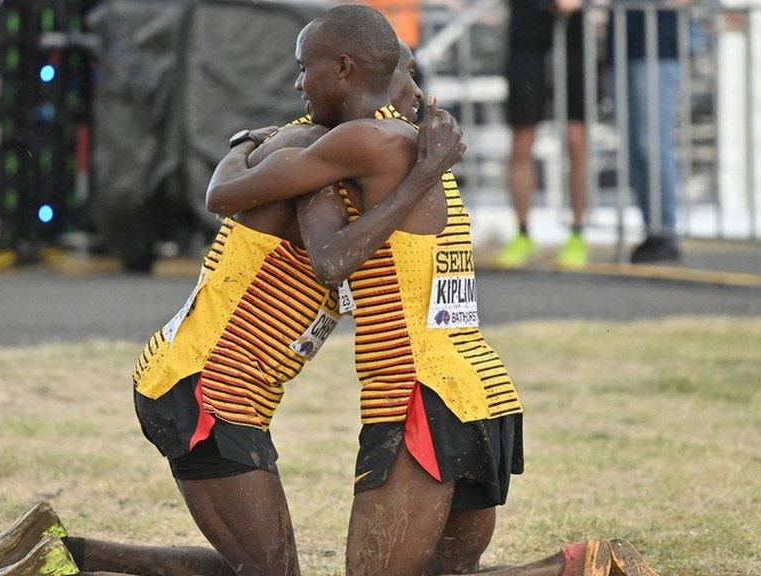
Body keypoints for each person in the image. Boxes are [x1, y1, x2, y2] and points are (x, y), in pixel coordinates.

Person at [0, 40, 466, 576]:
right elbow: (312, 250)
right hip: (209, 389)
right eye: (409, 73)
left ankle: (62, 556)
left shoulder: (330, 152)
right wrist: (422, 173)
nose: (418, 90)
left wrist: (243, 141)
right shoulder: (317, 153)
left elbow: (230, 188)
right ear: (365, 71)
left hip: (212, 383)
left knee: (258, 567)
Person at [208, 6, 660, 576]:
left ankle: (578, 570)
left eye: (305, 69)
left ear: (349, 69)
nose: (298, 83)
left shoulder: (372, 142)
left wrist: (250, 143)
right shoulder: (423, 143)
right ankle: (582, 566)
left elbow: (292, 237)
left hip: (414, 394)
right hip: (481, 390)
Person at [498, 0, 589, 268]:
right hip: (526, 37)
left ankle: (578, 231)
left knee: (576, 140)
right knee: (522, 142)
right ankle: (522, 232)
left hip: (573, 38)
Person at [608, 0, 681, 263]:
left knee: (650, 143)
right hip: (622, 47)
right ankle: (654, 229)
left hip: (658, 49)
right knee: (635, 147)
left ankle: (665, 231)